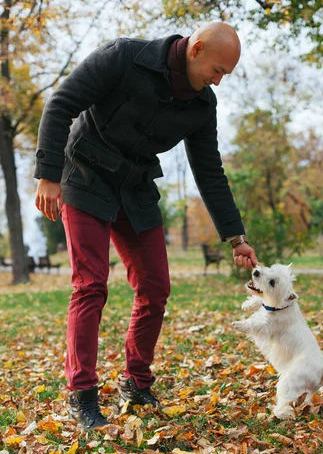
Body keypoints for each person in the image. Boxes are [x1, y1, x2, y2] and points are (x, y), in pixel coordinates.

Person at [34, 22, 258, 430]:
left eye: (225, 74)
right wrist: (48, 175)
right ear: (197, 48)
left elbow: (209, 171)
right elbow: (61, 103)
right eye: (218, 69)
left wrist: (236, 237)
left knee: (155, 287)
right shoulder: (124, 56)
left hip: (134, 189)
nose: (219, 81)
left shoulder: (202, 105)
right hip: (84, 176)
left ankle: (135, 383)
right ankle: (81, 394)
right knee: (91, 284)